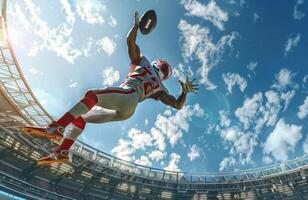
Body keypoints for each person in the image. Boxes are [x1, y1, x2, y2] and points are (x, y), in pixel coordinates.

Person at [23, 12, 198, 165]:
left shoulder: (144, 63)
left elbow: (129, 41)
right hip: (128, 110)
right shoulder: (161, 88)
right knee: (81, 118)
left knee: (91, 95)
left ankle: (56, 127)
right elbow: (177, 105)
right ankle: (62, 151)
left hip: (128, 94)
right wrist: (184, 92)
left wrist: (136, 26)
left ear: (157, 64)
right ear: (165, 75)